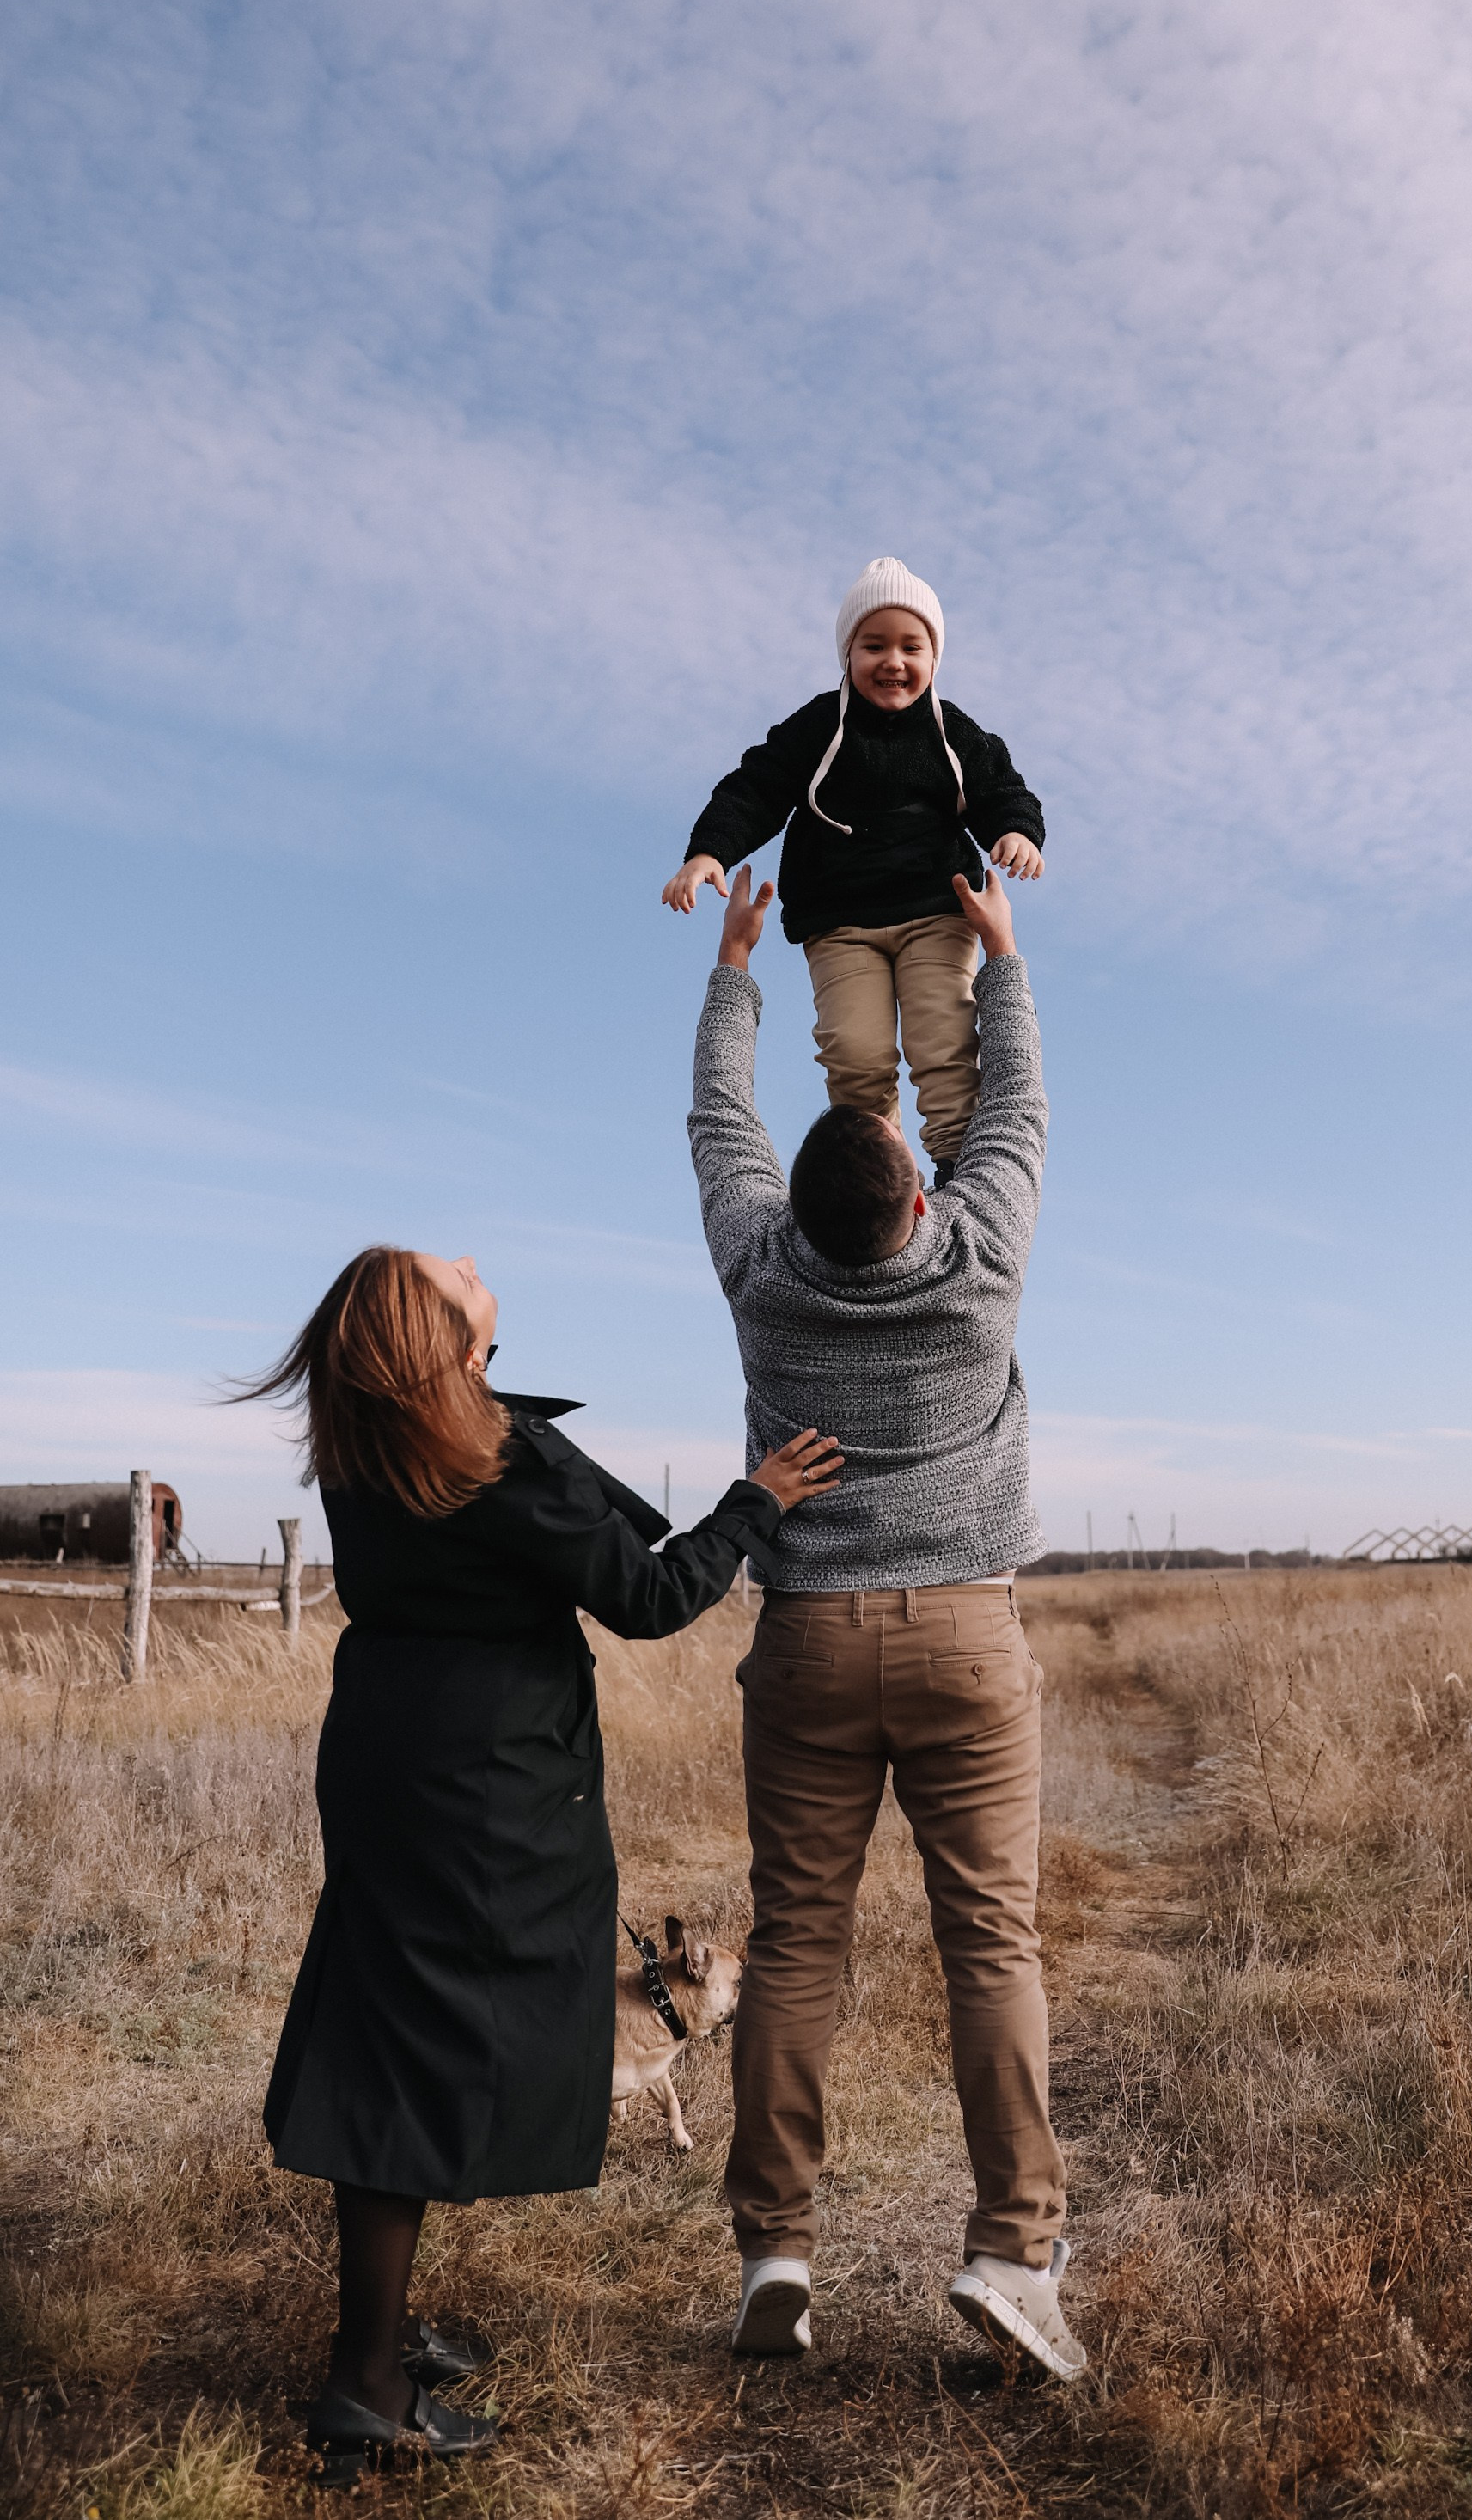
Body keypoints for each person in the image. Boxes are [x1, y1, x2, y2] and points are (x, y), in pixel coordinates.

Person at [237, 1246, 840, 2473]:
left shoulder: (378, 1445)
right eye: (445, 1273)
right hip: (486, 1788)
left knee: (389, 2033)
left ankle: (378, 2340)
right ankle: (365, 2384)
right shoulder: (488, 1459)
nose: (465, 1258)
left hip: (391, 1763)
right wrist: (758, 1499)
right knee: (423, 2053)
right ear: (447, 1343)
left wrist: (481, 1382)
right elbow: (653, 1590)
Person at [686, 862, 1084, 2382]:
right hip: (967, 1640)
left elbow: (720, 1122)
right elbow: (1016, 1115)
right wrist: (1001, 961)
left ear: (797, 1207)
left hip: (804, 1640)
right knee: (990, 1941)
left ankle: (776, 2247)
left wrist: (736, 967)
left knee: (795, 1941)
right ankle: (1009, 2255)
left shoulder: (761, 1274)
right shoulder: (978, 1266)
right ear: (918, 1198)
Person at [663, 557, 1046, 1186]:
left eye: (910, 646)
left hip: (936, 910)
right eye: (874, 645)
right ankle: (882, 1173)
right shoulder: (819, 727)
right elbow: (754, 788)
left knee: (944, 1042)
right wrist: (709, 853)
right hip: (840, 922)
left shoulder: (952, 732)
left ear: (933, 656)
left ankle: (955, 1167)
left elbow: (1000, 787)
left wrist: (1015, 833)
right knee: (855, 1052)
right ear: (848, 654)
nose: (892, 660)